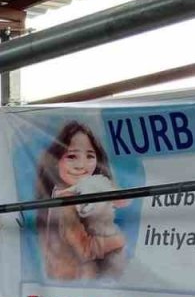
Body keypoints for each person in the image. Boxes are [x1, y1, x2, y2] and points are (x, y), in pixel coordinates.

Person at [32, 120, 128, 281]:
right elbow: (85, 249)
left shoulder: (59, 194)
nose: (81, 165)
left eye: (90, 156)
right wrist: (118, 240)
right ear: (55, 161)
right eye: (71, 156)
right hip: (77, 284)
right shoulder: (65, 200)